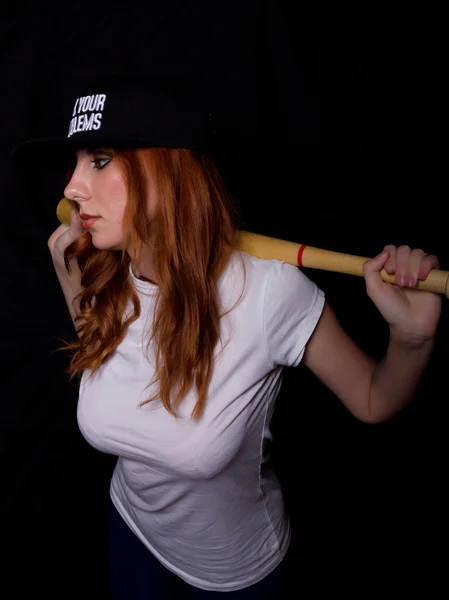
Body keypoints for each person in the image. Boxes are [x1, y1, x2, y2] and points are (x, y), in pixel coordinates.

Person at [14, 75, 442, 599]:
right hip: (129, 535)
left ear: (170, 171)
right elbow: (109, 366)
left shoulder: (268, 294)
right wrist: (74, 285)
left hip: (233, 575)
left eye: (100, 159)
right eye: (76, 162)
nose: (71, 187)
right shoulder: (102, 270)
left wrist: (412, 340)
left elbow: (375, 400)